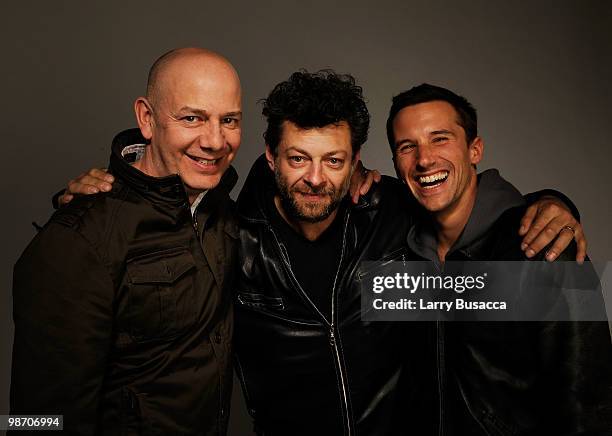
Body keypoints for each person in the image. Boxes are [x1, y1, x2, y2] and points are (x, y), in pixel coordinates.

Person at [56, 71, 586, 435]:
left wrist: (550, 204)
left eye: (333, 160)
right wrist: (105, 191)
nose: (315, 178)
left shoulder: (393, 225)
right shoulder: (230, 241)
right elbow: (147, 235)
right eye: (297, 159)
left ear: (356, 160)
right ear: (270, 156)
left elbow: (475, 234)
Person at [11, 48, 242, 434]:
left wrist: (366, 183)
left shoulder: (223, 210)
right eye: (191, 118)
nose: (215, 140)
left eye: (229, 120)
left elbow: (297, 178)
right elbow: (34, 420)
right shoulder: (77, 240)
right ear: (147, 119)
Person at [387, 83, 612, 434]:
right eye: (407, 147)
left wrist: (554, 201)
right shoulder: (397, 250)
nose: (425, 159)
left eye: (440, 138)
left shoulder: (547, 246)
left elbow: (590, 401)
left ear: (475, 150)